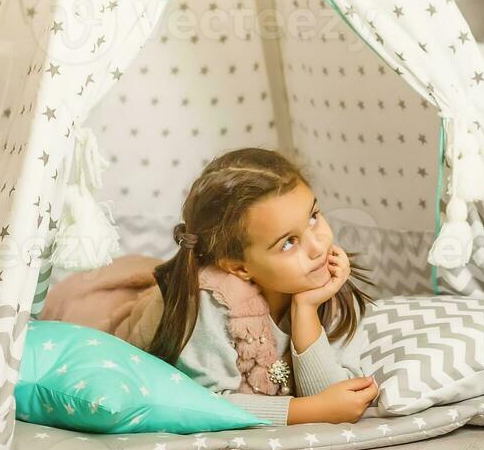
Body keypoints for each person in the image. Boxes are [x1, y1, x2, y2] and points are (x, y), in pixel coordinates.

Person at [41, 148, 379, 425]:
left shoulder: (322, 279)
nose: (318, 246)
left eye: (313, 217)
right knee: (71, 328)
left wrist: (306, 310)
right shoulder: (211, 305)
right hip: (101, 308)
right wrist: (307, 412)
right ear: (239, 268)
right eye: (288, 243)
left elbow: (339, 395)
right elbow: (201, 404)